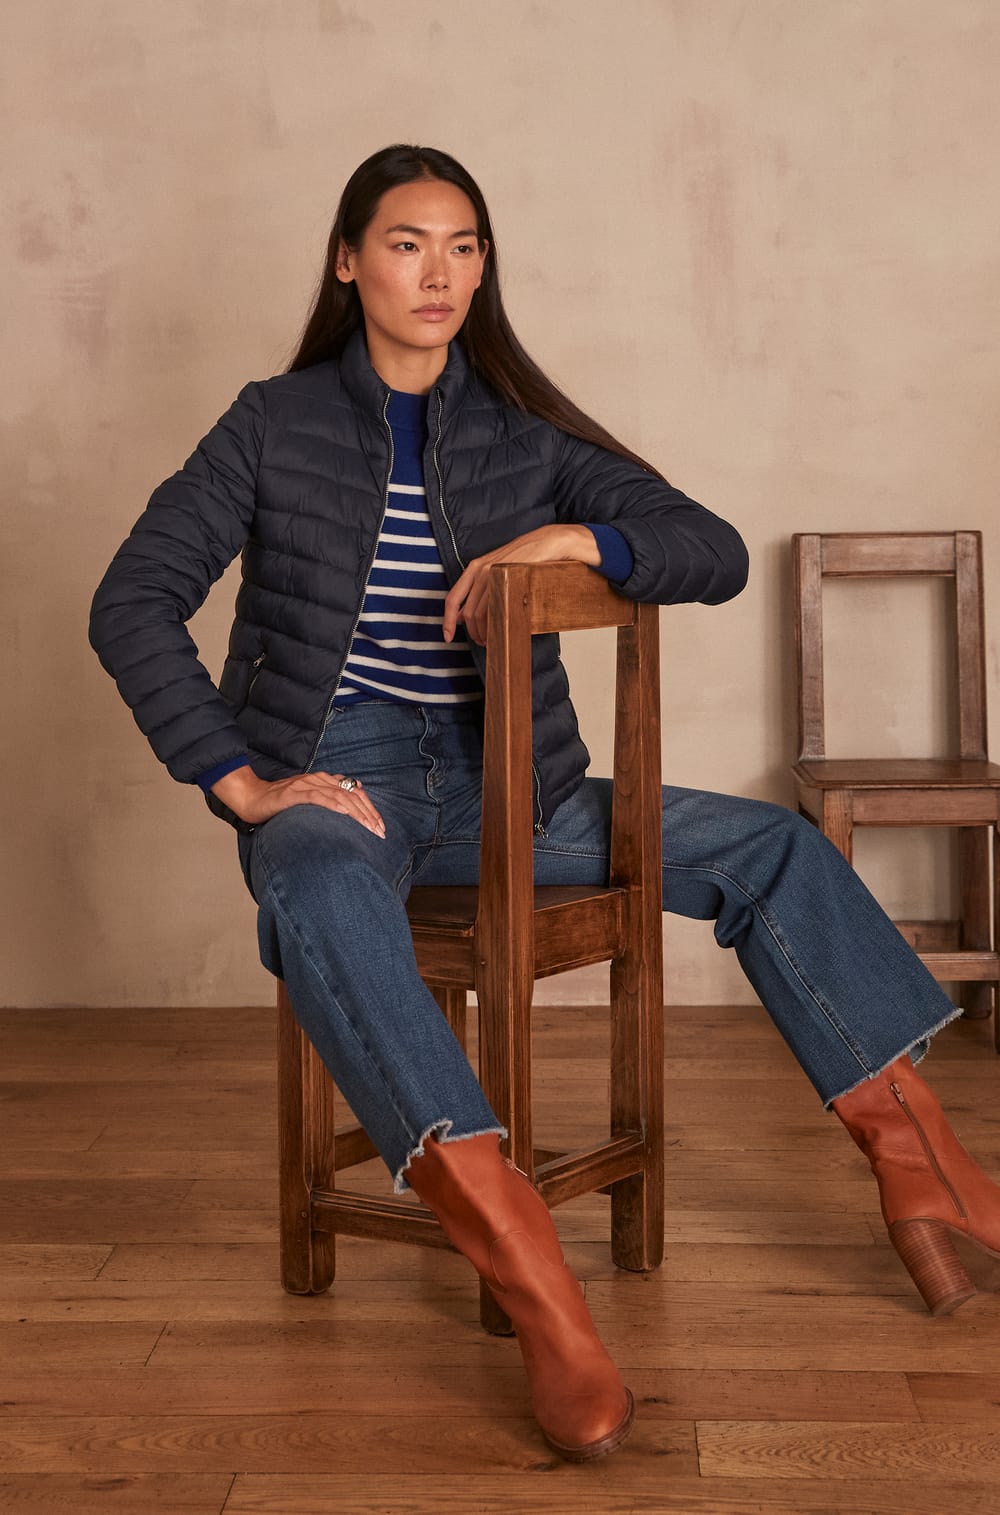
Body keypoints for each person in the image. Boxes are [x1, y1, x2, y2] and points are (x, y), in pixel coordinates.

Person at [90, 144, 1000, 1463]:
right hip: (339, 781)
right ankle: (533, 1276)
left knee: (771, 847)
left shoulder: (525, 439)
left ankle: (921, 1166)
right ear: (348, 262)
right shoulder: (271, 425)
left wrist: (579, 538)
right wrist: (242, 783)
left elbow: (712, 552)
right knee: (318, 885)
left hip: (512, 791)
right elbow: (132, 601)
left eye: (463, 246)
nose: (440, 272)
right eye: (407, 243)